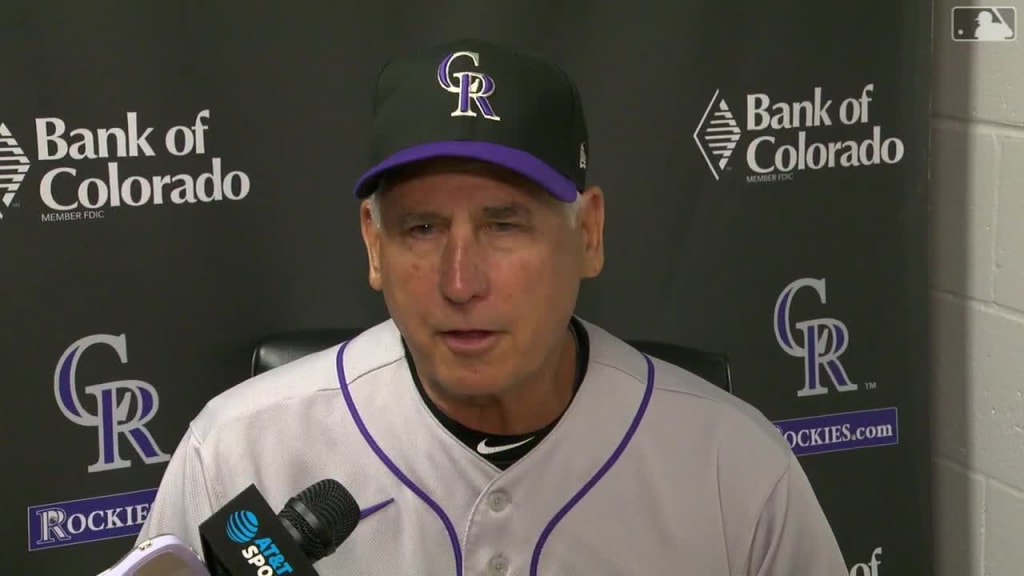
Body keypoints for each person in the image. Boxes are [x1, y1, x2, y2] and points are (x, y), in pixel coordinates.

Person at [136, 37, 849, 575]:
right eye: (422, 228)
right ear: (374, 244)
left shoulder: (733, 467)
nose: (460, 280)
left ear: (589, 234)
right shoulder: (240, 449)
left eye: (505, 225)